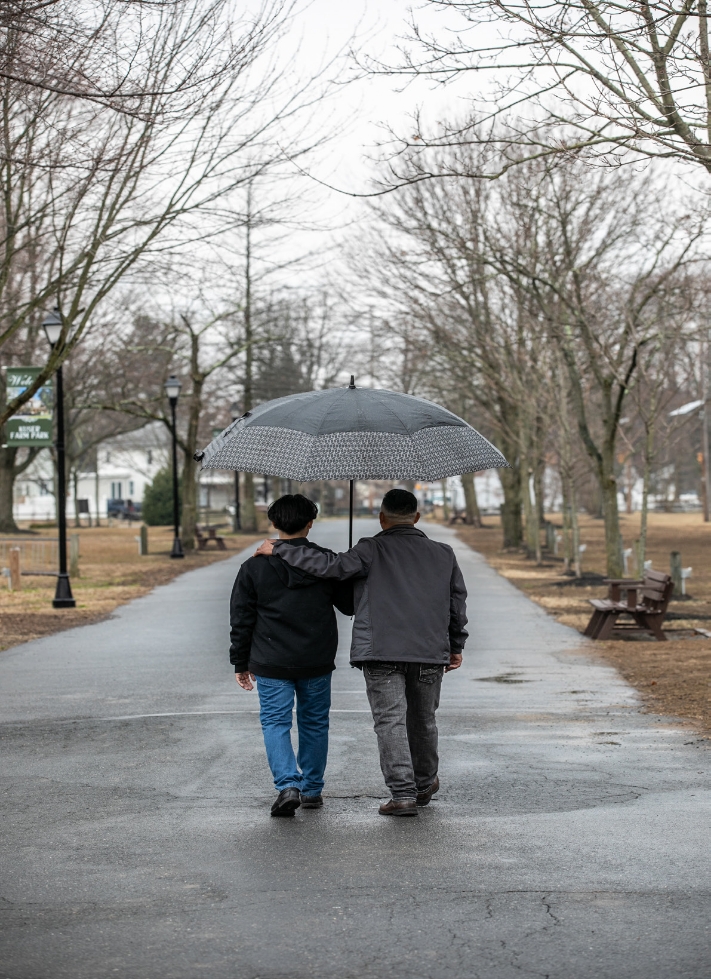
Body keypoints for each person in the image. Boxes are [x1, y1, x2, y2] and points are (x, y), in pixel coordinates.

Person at [255, 488, 468, 817]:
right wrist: (456, 645)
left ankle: (403, 795)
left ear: (382, 519)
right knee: (423, 720)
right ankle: (424, 784)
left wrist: (282, 548)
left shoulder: (371, 548)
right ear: (416, 517)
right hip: (428, 650)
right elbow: (456, 603)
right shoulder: (443, 553)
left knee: (390, 723)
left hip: (381, 650)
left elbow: (329, 567)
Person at [231, 494, 353, 817]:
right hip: (316, 656)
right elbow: (349, 605)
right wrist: (350, 574)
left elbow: (241, 618)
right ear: (310, 525)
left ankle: (288, 785)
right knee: (314, 722)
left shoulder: (254, 566)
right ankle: (312, 788)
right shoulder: (325, 563)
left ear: (273, 523)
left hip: (271, 660)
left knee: (275, 721)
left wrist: (240, 662)